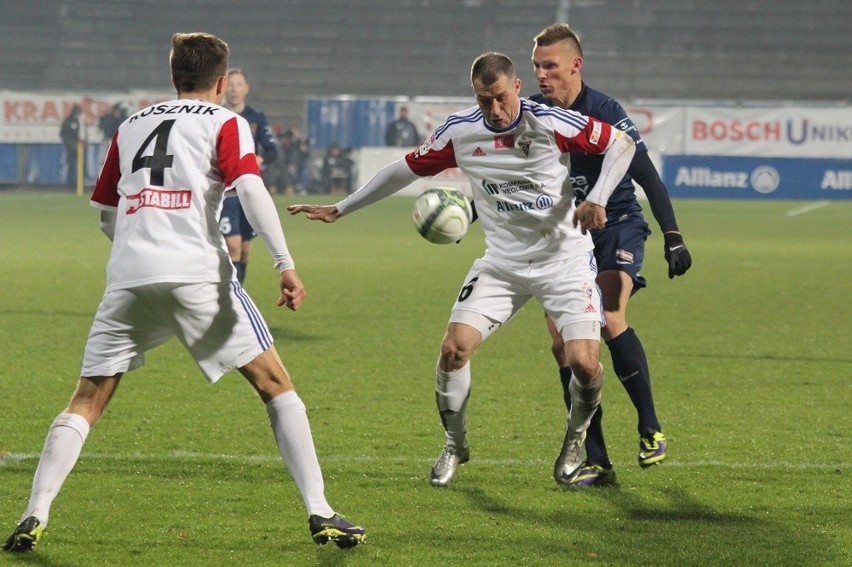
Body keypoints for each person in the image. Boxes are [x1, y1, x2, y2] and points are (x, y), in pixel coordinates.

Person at [2, 32, 364, 554]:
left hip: (128, 277)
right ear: (221, 82)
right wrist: (285, 263)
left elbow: (106, 212)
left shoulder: (130, 126)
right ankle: (321, 509)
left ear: (173, 77)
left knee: (87, 398)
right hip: (200, 276)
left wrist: (140, 247)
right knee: (276, 385)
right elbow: (252, 189)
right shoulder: (226, 122)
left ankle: (34, 512)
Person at [288, 52, 636, 487]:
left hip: (565, 262)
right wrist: (341, 208)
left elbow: (621, 144)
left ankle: (575, 439)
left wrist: (598, 197)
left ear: (516, 87)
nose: (494, 110)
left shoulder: (550, 121)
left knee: (584, 364)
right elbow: (403, 170)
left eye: (501, 98)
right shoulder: (460, 132)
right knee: (453, 349)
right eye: (483, 99)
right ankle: (455, 443)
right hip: (503, 264)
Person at [530, 23, 692, 487]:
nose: (542, 76)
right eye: (537, 67)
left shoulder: (605, 111)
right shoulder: (534, 115)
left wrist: (673, 235)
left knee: (609, 316)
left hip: (616, 224)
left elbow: (647, 175)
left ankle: (650, 427)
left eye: (551, 67)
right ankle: (597, 460)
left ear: (575, 65)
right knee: (564, 347)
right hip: (562, 238)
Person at [219, 68, 279, 284]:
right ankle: (230, 299)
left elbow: (272, 151)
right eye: (230, 84)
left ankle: (239, 295)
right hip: (225, 192)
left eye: (238, 85)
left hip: (249, 190)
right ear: (223, 87)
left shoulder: (256, 118)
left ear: (246, 89)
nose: (234, 89)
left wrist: (260, 159)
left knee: (244, 250)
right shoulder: (216, 115)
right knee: (232, 246)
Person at [59, 103, 82, 188]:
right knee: (71, 165)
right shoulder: (68, 121)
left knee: (78, 166)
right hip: (70, 147)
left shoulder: (77, 121)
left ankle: (78, 184)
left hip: (78, 147)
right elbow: (63, 134)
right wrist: (69, 143)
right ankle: (71, 184)